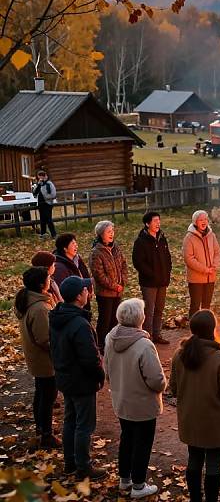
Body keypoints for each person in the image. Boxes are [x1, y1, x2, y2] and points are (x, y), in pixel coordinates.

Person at [170, 310, 220, 502]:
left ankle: (195, 498)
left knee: (194, 460)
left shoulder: (179, 355)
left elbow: (173, 389)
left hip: (190, 421)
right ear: (212, 330)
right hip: (215, 423)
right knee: (214, 465)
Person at [104, 298, 167, 499]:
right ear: (140, 318)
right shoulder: (144, 345)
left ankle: (125, 479)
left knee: (127, 438)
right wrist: (163, 385)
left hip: (121, 400)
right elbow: (156, 380)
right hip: (142, 405)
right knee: (143, 443)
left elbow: (107, 368)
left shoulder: (110, 337)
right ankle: (139, 486)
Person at [49, 276, 106, 480]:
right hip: (81, 381)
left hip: (65, 377)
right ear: (78, 296)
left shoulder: (57, 317)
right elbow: (90, 359)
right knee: (84, 425)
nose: (88, 292)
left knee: (70, 420)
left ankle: (70, 462)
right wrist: (100, 375)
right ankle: (83, 466)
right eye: (85, 289)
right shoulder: (79, 324)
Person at [15, 266, 60, 449]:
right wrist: (60, 350)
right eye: (49, 278)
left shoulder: (30, 300)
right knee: (47, 396)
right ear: (42, 284)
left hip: (37, 359)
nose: (51, 280)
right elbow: (44, 339)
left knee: (42, 394)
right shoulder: (40, 308)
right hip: (45, 362)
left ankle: (41, 429)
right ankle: (46, 434)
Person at [132, 211, 173, 345]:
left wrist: (167, 273)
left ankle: (157, 334)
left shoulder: (162, 238)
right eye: (155, 221)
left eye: (159, 220)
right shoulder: (141, 241)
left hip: (162, 281)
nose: (158, 223)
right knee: (149, 310)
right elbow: (138, 262)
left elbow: (168, 257)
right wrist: (152, 274)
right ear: (147, 223)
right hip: (149, 283)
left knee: (159, 309)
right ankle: (147, 337)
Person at [89, 221, 128, 353]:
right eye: (108, 232)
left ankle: (113, 342)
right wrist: (114, 286)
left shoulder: (116, 248)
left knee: (115, 320)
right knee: (105, 320)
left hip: (118, 291)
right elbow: (99, 275)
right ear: (101, 234)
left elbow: (123, 265)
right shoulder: (96, 252)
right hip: (105, 293)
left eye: (112, 231)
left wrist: (123, 282)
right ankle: (102, 346)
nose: (112, 234)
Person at [182, 211, 220, 318]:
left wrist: (214, 266)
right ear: (195, 222)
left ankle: (205, 328)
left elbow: (217, 252)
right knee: (195, 305)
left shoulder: (211, 236)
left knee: (206, 305)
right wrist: (205, 269)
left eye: (205, 219)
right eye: (201, 220)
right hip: (196, 279)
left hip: (210, 277)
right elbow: (188, 258)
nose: (204, 222)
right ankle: (194, 329)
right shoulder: (189, 238)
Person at [32, 170, 57, 239]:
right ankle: (43, 234)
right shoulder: (39, 184)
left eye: (42, 177)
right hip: (40, 204)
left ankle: (53, 234)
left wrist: (46, 197)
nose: (41, 179)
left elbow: (53, 194)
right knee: (42, 220)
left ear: (45, 176)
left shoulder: (49, 184)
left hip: (48, 204)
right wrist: (38, 185)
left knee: (49, 219)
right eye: (39, 177)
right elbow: (35, 193)